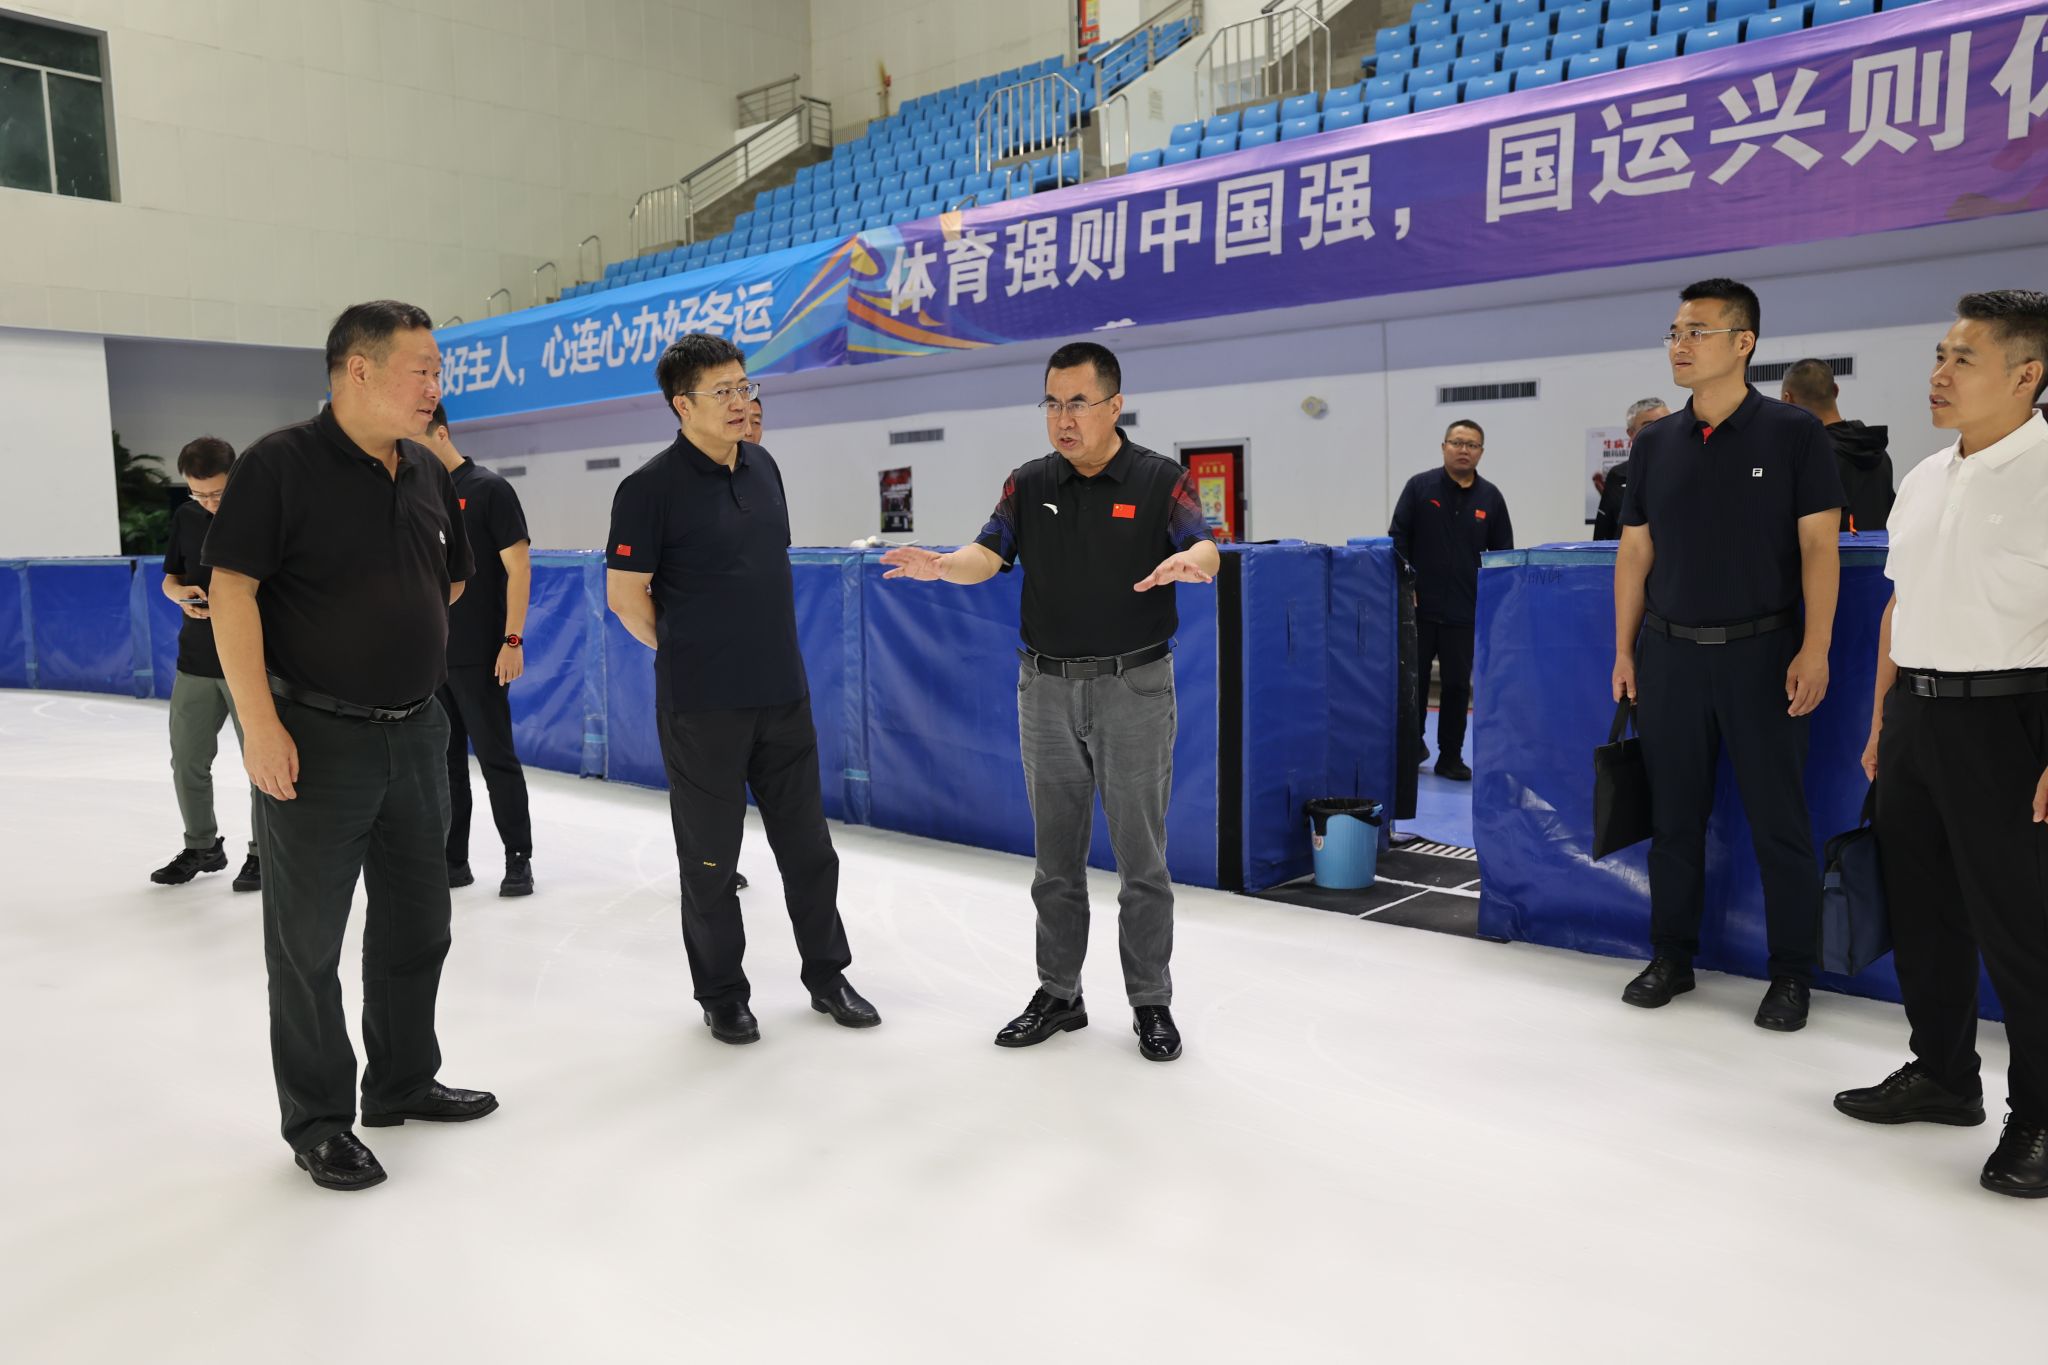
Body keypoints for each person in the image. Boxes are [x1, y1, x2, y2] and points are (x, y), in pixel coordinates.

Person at [204, 300, 496, 1192]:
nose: (436, 386)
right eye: (422, 370)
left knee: (419, 922)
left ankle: (402, 1080)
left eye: (439, 371)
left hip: (417, 730)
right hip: (314, 740)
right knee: (307, 946)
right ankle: (319, 1120)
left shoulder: (424, 470)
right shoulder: (279, 465)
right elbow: (232, 592)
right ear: (358, 370)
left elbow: (447, 580)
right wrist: (260, 723)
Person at [880, 341, 1219, 1063]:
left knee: (1142, 860)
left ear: (1114, 405)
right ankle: (1059, 993)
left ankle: (1150, 1000)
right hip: (1046, 689)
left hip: (1134, 688)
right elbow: (988, 552)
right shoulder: (1029, 482)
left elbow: (1204, 544)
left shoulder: (1160, 479)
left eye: (1079, 404)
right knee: (1055, 860)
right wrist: (943, 565)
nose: (1064, 419)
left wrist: (1194, 562)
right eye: (1053, 404)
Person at [1834, 289, 2048, 1199]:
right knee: (1923, 909)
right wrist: (1883, 716)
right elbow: (1901, 601)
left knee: (2024, 929)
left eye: (1964, 358)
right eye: (1939, 354)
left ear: (2027, 375)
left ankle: (2038, 1116)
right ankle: (1945, 1074)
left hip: (2012, 719)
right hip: (1918, 718)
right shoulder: (1924, 476)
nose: (1939, 373)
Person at [605, 333, 875, 1045]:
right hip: (702, 705)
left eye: (743, 386)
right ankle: (723, 994)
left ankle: (828, 975)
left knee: (809, 850)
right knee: (710, 861)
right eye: (721, 391)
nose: (739, 401)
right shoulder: (648, 489)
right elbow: (626, 596)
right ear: (682, 404)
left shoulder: (764, 467)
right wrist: (692, 647)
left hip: (783, 693)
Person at [1612, 278, 1843, 1031]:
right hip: (1670, 656)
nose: (1680, 345)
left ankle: (1791, 973)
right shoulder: (1654, 443)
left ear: (1743, 343)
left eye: (1698, 332)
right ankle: (1671, 956)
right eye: (1675, 332)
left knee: (1780, 822)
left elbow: (1819, 548)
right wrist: (1624, 650)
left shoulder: (1794, 434)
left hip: (1764, 655)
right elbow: (1635, 552)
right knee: (1674, 819)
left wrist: (1815, 647)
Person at [419, 404, 535, 897]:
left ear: (441, 434)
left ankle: (518, 858)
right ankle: (453, 859)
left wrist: (512, 640)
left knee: (495, 759)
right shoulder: (420, 495)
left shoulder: (489, 489)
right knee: (445, 764)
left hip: (483, 654)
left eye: (416, 444)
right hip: (435, 657)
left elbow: (519, 568)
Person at [152, 437, 263, 893]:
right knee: (187, 760)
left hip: (254, 662)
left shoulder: (264, 515)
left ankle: (264, 851)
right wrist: (180, 595)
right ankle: (202, 846)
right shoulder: (187, 516)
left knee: (262, 762)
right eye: (198, 494)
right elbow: (171, 578)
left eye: (217, 493)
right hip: (196, 660)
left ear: (235, 477)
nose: (209, 503)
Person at [1389, 419, 1514, 781]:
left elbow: (1502, 553)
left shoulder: (1491, 498)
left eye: (1471, 445)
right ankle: (1411, 749)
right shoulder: (1420, 487)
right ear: (1444, 447)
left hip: (1464, 610)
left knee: (1458, 687)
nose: (1464, 450)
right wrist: (1406, 584)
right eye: (1457, 442)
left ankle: (1450, 756)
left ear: (1481, 452)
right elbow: (1398, 537)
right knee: (1412, 684)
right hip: (1418, 608)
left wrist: (1493, 601)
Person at [1781, 357, 1896, 533]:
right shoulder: (1878, 452)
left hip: (1830, 552)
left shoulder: (1809, 459)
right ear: (1835, 390)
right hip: (1880, 551)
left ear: (1787, 400)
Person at [1593, 399, 1669, 542]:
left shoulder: (1689, 468)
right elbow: (1603, 533)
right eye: (1649, 426)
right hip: (1628, 553)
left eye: (1666, 424)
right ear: (1631, 433)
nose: (1660, 431)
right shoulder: (1618, 475)